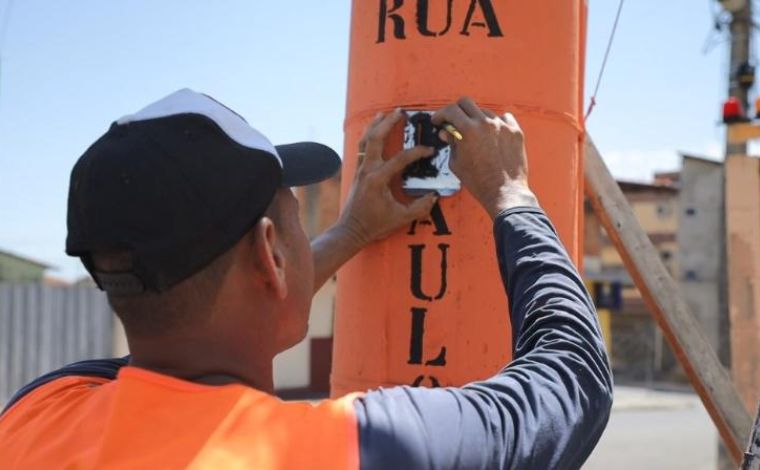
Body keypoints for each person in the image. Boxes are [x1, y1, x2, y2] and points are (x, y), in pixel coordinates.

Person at [0, 89, 612, 469]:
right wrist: (511, 194)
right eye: (294, 213)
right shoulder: (352, 450)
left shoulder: (37, 413)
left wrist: (350, 232)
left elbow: (194, 328)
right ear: (270, 254)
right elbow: (573, 382)